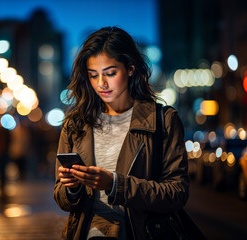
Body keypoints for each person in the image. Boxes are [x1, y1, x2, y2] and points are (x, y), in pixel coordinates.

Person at [53, 26, 189, 240]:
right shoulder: (75, 124)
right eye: (93, 75)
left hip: (139, 232)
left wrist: (115, 184)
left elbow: (176, 193)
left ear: (131, 69)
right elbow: (61, 197)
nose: (101, 84)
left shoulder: (163, 121)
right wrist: (72, 188)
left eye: (110, 73)